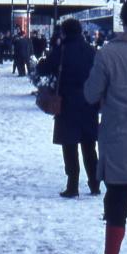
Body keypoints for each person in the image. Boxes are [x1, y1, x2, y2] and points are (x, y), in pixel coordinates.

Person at [80, 0, 127, 254]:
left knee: (117, 205)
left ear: (123, 20)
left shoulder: (108, 54)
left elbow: (91, 94)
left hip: (119, 141)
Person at [37, 17, 99, 198]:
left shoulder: (61, 50)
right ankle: (94, 184)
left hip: (67, 103)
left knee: (69, 144)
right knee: (89, 145)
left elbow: (43, 69)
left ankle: (72, 185)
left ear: (64, 32)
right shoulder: (91, 51)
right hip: (89, 102)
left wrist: (53, 48)